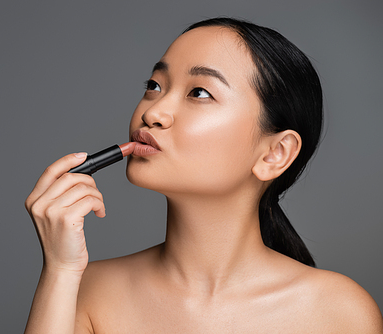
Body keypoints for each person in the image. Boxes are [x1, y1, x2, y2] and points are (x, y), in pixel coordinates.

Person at [23, 18, 383, 333]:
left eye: (199, 92)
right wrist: (60, 270)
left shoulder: (338, 312)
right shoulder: (86, 291)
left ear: (275, 154)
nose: (154, 113)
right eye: (154, 86)